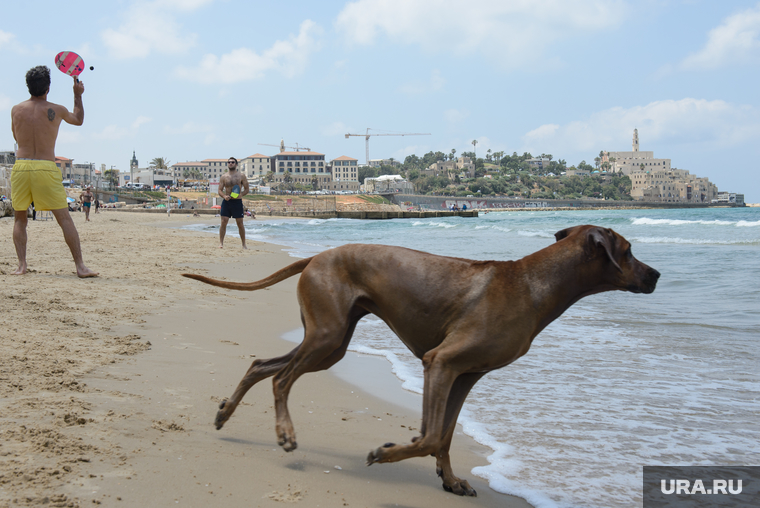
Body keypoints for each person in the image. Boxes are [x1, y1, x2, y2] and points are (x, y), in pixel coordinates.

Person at [10, 66, 98, 277]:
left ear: (28, 86)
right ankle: (80, 267)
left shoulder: (16, 109)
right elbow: (78, 119)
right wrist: (77, 95)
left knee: (20, 219)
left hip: (21, 166)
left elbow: (15, 136)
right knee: (64, 218)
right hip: (45, 166)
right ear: (48, 87)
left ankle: (21, 266)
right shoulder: (56, 110)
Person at [218, 157, 249, 249]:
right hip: (227, 202)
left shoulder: (241, 176)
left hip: (237, 202)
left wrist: (241, 195)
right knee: (224, 221)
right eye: (229, 162)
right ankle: (221, 243)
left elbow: (247, 189)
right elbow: (219, 190)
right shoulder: (224, 177)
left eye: (232, 162)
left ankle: (243, 244)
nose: (230, 163)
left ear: (236, 164)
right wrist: (224, 196)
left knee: (240, 223)